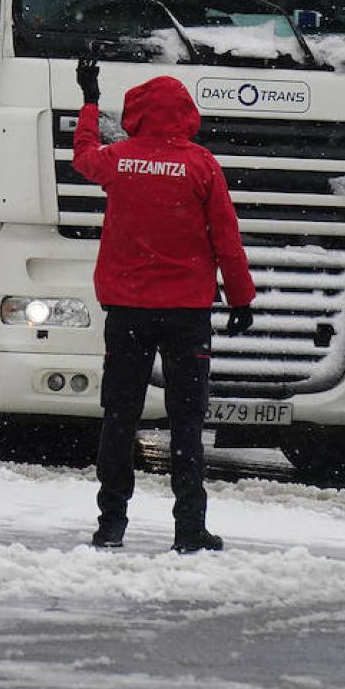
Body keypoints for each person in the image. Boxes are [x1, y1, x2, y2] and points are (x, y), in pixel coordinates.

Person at [72, 60, 256, 554]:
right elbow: (226, 239)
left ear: (137, 112)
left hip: (127, 312)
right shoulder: (201, 166)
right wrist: (240, 298)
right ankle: (189, 528)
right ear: (187, 115)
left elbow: (83, 155)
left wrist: (89, 102)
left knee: (120, 418)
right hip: (187, 315)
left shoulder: (119, 160)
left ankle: (111, 523)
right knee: (187, 424)